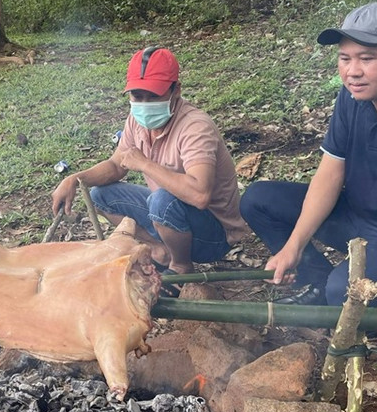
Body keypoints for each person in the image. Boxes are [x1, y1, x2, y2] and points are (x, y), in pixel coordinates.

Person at [239, 2, 377, 337]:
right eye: (345, 59)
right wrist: (294, 244)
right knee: (258, 199)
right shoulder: (353, 97)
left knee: (345, 293)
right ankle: (317, 282)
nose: (352, 71)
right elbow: (330, 173)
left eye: (367, 58)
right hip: (357, 216)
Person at [51, 47, 247, 293]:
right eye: (137, 96)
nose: (144, 104)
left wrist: (144, 163)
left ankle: (182, 266)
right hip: (170, 215)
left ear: (176, 90)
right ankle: (160, 250)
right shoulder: (136, 120)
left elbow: (200, 195)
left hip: (213, 235)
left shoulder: (195, 127)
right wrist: (75, 178)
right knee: (101, 195)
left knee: (162, 200)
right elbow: (115, 166)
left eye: (153, 96)